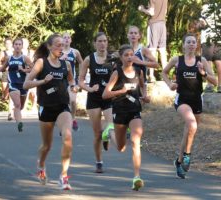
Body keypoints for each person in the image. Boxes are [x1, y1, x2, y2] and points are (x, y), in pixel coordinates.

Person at [23, 33, 76, 190]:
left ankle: (64, 177)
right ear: (49, 47)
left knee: (67, 137)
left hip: (62, 107)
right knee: (47, 145)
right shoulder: (41, 63)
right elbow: (26, 84)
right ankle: (41, 165)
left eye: (63, 45)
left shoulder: (66, 64)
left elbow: (72, 80)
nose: (61, 48)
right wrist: (42, 81)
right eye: (58, 45)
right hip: (46, 108)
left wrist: (73, 88)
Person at [162, 33, 217, 179]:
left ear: (196, 45)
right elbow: (164, 72)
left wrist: (203, 73)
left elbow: (215, 81)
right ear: (184, 44)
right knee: (192, 124)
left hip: (197, 100)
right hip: (182, 100)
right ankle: (187, 156)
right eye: (189, 42)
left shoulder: (202, 60)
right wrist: (170, 84)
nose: (192, 44)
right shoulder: (177, 60)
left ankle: (179, 161)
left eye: (194, 42)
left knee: (188, 131)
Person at [102, 44, 150, 191]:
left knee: (136, 141)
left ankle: (136, 177)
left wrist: (145, 96)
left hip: (135, 110)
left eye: (131, 55)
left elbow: (142, 86)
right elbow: (105, 94)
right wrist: (120, 91)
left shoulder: (138, 71)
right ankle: (109, 133)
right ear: (121, 58)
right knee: (121, 147)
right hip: (120, 111)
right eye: (127, 55)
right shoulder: (117, 73)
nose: (130, 57)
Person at [78, 32, 114, 173]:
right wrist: (89, 88)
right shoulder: (89, 59)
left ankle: (107, 136)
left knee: (110, 126)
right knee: (97, 134)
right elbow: (80, 80)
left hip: (108, 96)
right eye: (99, 41)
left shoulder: (112, 59)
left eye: (104, 41)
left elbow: (120, 75)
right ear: (95, 43)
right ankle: (99, 162)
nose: (102, 44)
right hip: (93, 98)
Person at [0, 38, 33, 132]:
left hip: (23, 84)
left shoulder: (25, 58)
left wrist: (24, 70)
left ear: (22, 46)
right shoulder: (9, 58)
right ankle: (19, 123)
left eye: (19, 44)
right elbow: (3, 67)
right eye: (16, 44)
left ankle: (18, 115)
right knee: (17, 104)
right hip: (12, 83)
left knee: (21, 106)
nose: (17, 46)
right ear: (13, 46)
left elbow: (33, 69)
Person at [138, 0, 168, 82]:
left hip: (154, 24)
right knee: (162, 50)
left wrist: (142, 9)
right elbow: (165, 12)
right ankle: (165, 75)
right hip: (162, 24)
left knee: (152, 49)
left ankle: (151, 76)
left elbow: (151, 13)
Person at [61, 32, 84, 131]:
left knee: (73, 101)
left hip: (72, 80)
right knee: (62, 103)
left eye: (68, 38)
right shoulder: (58, 51)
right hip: (60, 80)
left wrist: (81, 77)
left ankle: (73, 119)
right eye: (64, 37)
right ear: (62, 40)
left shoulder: (75, 52)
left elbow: (81, 63)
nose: (66, 39)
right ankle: (63, 125)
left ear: (71, 40)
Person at [200, 4, 221, 93]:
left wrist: (198, 25)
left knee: (207, 61)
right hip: (217, 39)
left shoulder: (205, 7)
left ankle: (210, 85)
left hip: (207, 39)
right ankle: (220, 85)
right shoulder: (218, 7)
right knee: (218, 61)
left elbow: (203, 24)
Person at [0, 37, 14, 120]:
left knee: (11, 92)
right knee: (6, 92)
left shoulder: (15, 52)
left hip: (13, 74)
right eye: (7, 44)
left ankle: (10, 113)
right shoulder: (3, 53)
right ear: (5, 45)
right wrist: (4, 67)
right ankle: (4, 95)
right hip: (5, 73)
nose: (8, 45)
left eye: (10, 43)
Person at [22, 38, 38, 112]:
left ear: (28, 44)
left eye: (25, 43)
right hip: (21, 74)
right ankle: (23, 106)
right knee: (23, 90)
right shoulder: (18, 52)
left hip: (30, 73)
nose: (24, 44)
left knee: (33, 90)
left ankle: (34, 106)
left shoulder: (31, 52)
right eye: (23, 42)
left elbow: (34, 63)